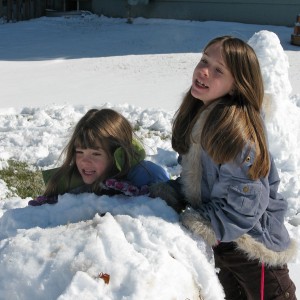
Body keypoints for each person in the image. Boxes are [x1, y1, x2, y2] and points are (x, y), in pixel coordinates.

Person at [151, 36, 297, 299]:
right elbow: (203, 181)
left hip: (253, 247)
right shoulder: (202, 116)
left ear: (236, 85)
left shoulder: (236, 134)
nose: (204, 70)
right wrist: (174, 193)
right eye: (204, 60)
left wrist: (205, 221)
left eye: (218, 70)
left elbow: (248, 201)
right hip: (222, 241)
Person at [28, 108, 169, 206]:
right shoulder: (71, 181)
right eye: (80, 152)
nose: (84, 160)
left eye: (96, 154)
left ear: (118, 156)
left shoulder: (148, 176)